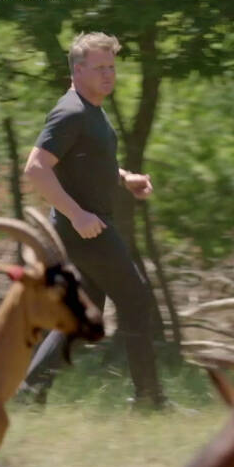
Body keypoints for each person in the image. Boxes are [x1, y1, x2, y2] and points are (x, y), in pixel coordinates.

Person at [22, 31, 165, 409]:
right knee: (135, 300)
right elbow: (36, 169)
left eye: (112, 67)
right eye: (100, 68)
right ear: (78, 69)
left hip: (88, 225)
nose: (108, 74)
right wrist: (77, 214)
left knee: (84, 314)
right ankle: (149, 400)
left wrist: (123, 178)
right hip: (86, 228)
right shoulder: (71, 112)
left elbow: (85, 161)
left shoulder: (90, 111)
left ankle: (28, 392)